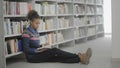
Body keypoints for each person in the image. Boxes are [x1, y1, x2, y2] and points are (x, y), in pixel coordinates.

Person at [22, 10, 92, 64]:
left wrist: (42, 46)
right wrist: (37, 50)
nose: (38, 25)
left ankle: (80, 59)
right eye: (36, 23)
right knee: (55, 50)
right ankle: (79, 56)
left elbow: (35, 45)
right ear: (30, 21)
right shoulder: (26, 33)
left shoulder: (35, 32)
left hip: (38, 53)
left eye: (39, 23)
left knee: (57, 58)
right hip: (32, 57)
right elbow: (26, 49)